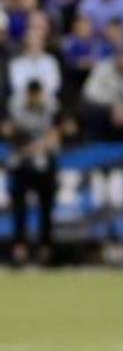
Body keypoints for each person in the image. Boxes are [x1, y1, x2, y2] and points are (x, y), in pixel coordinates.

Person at [3, 80, 59, 266]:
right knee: (19, 207)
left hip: (43, 161)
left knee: (46, 207)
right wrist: (26, 146)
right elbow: (8, 130)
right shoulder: (15, 106)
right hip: (21, 160)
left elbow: (55, 134)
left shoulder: (50, 106)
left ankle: (46, 250)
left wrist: (40, 145)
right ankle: (20, 249)